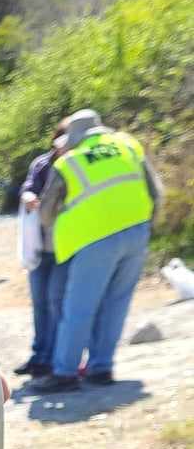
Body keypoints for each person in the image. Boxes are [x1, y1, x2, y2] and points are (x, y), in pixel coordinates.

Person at [40, 106, 162, 390]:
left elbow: (46, 212)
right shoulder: (128, 146)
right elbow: (156, 192)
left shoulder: (68, 162)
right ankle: (101, 368)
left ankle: (65, 373)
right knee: (116, 303)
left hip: (93, 240)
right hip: (137, 232)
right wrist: (145, 226)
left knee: (78, 308)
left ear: (75, 138)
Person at [15, 120, 67, 378]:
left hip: (65, 248)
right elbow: (28, 188)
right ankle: (39, 356)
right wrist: (28, 198)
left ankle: (53, 357)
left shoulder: (75, 166)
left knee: (56, 303)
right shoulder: (42, 164)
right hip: (39, 246)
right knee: (39, 303)